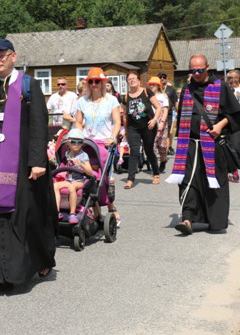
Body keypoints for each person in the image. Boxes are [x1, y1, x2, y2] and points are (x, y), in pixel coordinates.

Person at [0, 38, 56, 293]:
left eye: (1, 56)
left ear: (13, 57)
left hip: (23, 163)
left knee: (28, 217)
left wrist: (38, 162)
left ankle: (39, 261)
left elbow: (40, 125)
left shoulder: (28, 85)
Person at [166, 54, 240, 235]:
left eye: (200, 70)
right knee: (188, 180)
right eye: (193, 70)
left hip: (212, 144)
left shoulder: (220, 87)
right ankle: (187, 218)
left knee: (213, 182)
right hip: (190, 144)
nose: (197, 73)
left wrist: (219, 126)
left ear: (207, 68)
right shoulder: (187, 89)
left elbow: (235, 114)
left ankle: (214, 220)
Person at [75, 67, 121, 225]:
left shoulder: (111, 100)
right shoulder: (82, 101)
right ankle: (96, 213)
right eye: (91, 81)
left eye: (97, 81)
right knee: (89, 177)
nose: (94, 84)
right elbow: (78, 122)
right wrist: (78, 138)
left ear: (103, 83)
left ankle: (111, 207)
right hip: (88, 143)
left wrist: (113, 137)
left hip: (105, 143)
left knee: (104, 178)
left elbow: (117, 122)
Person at [120, 71, 162, 188]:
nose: (132, 80)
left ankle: (156, 173)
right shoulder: (126, 97)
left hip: (148, 126)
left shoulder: (146, 91)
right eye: (129, 79)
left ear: (139, 80)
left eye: (134, 78)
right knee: (134, 151)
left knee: (148, 150)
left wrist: (154, 120)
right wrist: (126, 131)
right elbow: (125, 116)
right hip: (133, 128)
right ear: (127, 82)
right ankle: (130, 179)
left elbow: (158, 107)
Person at [53, 128, 94, 224]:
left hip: (79, 180)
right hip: (69, 179)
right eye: (73, 142)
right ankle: (57, 211)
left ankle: (72, 213)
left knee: (71, 187)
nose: (76, 144)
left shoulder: (83, 155)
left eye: (79, 142)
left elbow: (90, 172)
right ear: (68, 142)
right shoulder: (67, 153)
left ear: (82, 143)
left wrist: (81, 164)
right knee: (55, 186)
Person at [148, 76, 170, 173]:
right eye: (150, 84)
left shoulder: (163, 96)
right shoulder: (148, 96)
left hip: (161, 122)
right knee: (151, 145)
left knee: (162, 145)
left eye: (154, 84)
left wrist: (162, 122)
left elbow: (165, 110)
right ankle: (154, 165)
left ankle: (163, 160)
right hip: (151, 122)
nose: (152, 86)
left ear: (158, 86)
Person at [158, 72, 178, 155]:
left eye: (164, 76)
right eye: (160, 77)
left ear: (166, 78)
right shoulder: (156, 88)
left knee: (169, 131)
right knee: (159, 131)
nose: (162, 78)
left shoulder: (171, 89)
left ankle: (168, 147)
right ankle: (161, 147)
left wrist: (178, 112)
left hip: (169, 113)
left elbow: (175, 101)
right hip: (158, 113)